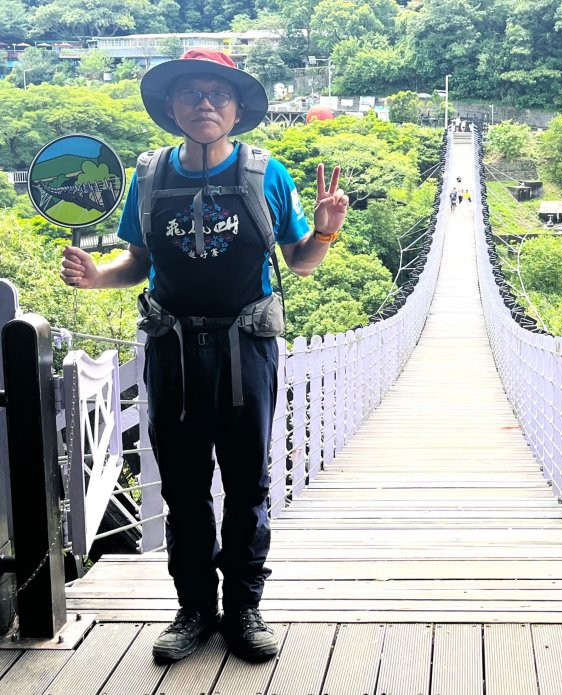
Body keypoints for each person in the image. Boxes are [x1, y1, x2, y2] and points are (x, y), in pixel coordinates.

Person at [58, 50, 349, 664]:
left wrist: (323, 232)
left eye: (218, 94)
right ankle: (194, 609)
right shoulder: (152, 175)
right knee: (184, 486)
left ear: (237, 109)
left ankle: (244, 608)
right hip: (174, 350)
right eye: (191, 94)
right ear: (172, 108)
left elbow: (298, 261)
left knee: (247, 484)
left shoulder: (267, 174)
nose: (205, 104)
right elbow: (137, 264)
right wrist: (95, 277)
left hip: (249, 348)